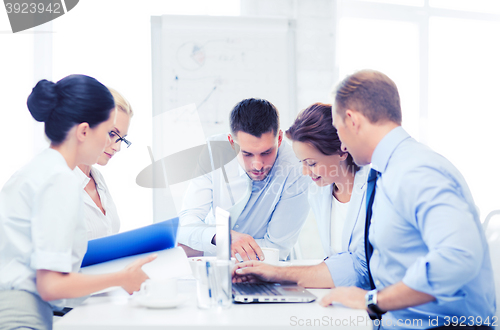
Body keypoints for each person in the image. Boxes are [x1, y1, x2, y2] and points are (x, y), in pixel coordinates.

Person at [318, 70, 495, 329]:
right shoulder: (389, 170)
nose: (342, 145)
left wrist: (373, 300)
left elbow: (458, 256)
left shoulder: (415, 170)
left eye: (338, 129)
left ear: (352, 120)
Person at [0, 75, 155, 330]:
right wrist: (122, 278)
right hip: (21, 317)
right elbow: (51, 285)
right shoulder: (59, 179)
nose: (112, 145)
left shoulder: (43, 170)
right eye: (108, 133)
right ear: (84, 131)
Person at [232, 103, 370, 288]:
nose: (305, 172)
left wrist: (278, 274)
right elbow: (337, 261)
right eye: (302, 162)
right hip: (342, 295)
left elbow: (362, 268)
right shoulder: (320, 191)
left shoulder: (373, 192)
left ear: (341, 150)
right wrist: (269, 274)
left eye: (311, 163)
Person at [177, 98, 310, 261]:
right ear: (232, 143)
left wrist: (206, 246)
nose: (258, 165)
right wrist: (219, 237)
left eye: (266, 152)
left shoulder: (297, 169)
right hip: (218, 264)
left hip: (270, 268)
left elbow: (276, 249)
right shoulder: (214, 152)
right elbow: (187, 223)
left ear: (280, 139)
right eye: (247, 154)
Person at [74, 87, 133, 239]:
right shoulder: (55, 182)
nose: (117, 147)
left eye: (122, 139)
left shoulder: (97, 178)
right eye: (112, 133)